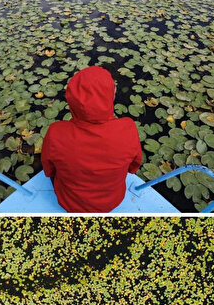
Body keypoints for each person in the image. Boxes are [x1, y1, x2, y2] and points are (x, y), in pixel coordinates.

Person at [41, 65, 143, 212]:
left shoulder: (56, 132)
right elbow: (133, 167)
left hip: (69, 203)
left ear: (70, 99)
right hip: (112, 201)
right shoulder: (128, 128)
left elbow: (49, 170)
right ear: (111, 96)